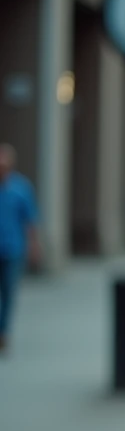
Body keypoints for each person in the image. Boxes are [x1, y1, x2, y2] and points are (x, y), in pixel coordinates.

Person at [0, 144, 41, 354]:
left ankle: (3, 331)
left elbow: (30, 222)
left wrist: (34, 247)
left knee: (8, 293)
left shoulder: (21, 188)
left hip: (12, 249)